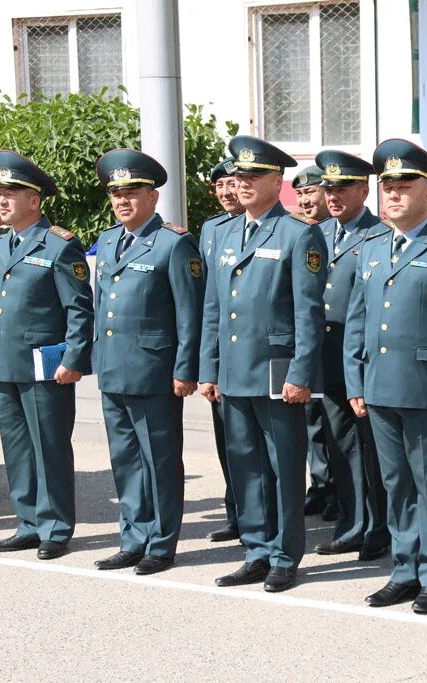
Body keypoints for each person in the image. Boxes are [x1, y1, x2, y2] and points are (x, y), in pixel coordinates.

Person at [344, 139, 427, 614]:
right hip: (380, 386)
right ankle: (404, 569)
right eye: (389, 186)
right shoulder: (372, 246)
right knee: (396, 484)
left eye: (406, 186)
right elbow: (356, 323)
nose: (395, 195)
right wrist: (355, 383)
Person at [0, 151, 94, 560]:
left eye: (12, 192)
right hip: (2, 361)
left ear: (35, 200)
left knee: (49, 447)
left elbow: (79, 309)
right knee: (17, 448)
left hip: (45, 362)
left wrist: (73, 359)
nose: (1, 200)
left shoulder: (59, 246)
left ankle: (56, 529)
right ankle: (28, 523)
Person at [199, 135, 327, 592]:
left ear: (279, 181)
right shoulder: (224, 232)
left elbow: (307, 313)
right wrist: (208, 370)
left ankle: (284, 555)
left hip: (276, 372)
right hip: (234, 371)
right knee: (245, 465)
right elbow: (212, 308)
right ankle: (254, 548)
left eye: (255, 175)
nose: (244, 183)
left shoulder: (299, 233)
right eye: (240, 175)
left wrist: (300, 373)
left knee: (284, 466)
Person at [89, 149, 205, 575]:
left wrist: (185, 368)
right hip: (115, 369)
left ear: (153, 197)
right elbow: (102, 306)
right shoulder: (105, 242)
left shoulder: (173, 244)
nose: (122, 201)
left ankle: (161, 543)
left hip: (155, 372)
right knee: (125, 460)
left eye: (132, 192)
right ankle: (133, 537)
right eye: (116, 193)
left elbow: (188, 313)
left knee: (159, 460)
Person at [311, 149, 390, 561]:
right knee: (340, 444)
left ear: (364, 189)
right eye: (328, 188)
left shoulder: (380, 235)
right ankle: (351, 523)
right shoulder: (320, 234)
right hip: (327, 356)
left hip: (362, 358)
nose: (333, 195)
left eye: (342, 188)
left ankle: (378, 527)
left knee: (373, 448)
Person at [200, 158, 244, 543]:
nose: (227, 192)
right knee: (227, 441)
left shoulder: (283, 229)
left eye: (233, 183)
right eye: (220, 186)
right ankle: (237, 514)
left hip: (261, 360)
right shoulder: (212, 229)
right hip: (223, 354)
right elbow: (208, 304)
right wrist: (207, 367)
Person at [292, 165, 338, 520]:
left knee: (336, 426)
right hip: (307, 345)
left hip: (338, 345)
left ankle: (340, 491)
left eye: (312, 192)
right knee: (312, 422)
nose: (306, 200)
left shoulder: (352, 232)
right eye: (301, 195)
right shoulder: (304, 232)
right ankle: (320, 486)